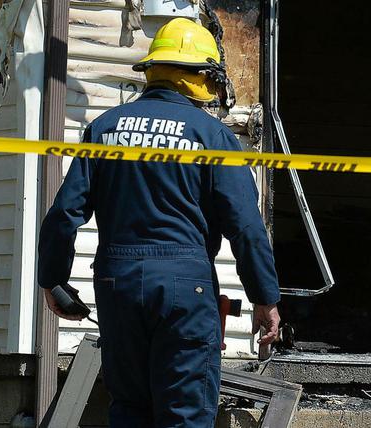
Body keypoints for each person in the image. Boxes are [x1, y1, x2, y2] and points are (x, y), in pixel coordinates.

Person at [36, 18, 281, 427]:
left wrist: (53, 281)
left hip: (119, 284)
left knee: (129, 409)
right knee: (185, 414)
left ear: (152, 70)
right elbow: (246, 226)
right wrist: (265, 297)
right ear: (202, 77)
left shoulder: (104, 129)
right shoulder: (212, 136)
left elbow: (64, 214)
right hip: (186, 285)